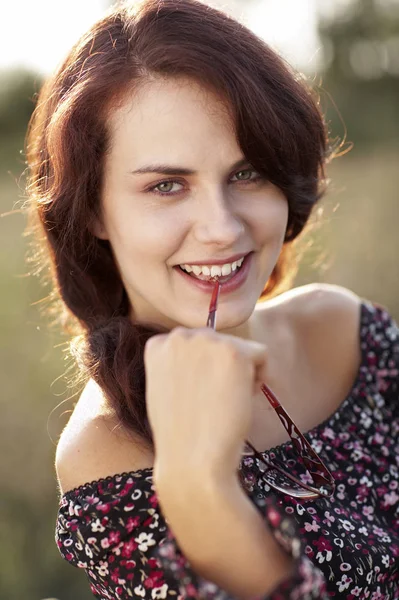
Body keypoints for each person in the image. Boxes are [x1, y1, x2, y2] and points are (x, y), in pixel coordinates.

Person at [24, 0, 398, 598]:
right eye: (166, 185)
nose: (222, 227)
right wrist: (198, 490)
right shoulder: (108, 454)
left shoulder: (344, 328)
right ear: (92, 208)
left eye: (247, 173)